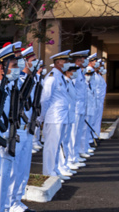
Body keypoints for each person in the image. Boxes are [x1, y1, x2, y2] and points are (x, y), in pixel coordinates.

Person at [8, 46, 38, 212]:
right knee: (13, 169)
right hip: (17, 129)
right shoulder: (15, 80)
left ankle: (17, 199)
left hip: (27, 129)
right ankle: (9, 202)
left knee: (23, 168)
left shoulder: (28, 79)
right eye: (17, 58)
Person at [0, 44, 18, 212]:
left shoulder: (6, 86)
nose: (16, 70)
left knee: (5, 181)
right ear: (2, 67)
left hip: (5, 140)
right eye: (13, 66)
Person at [41, 50, 73, 180]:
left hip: (61, 116)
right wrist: (42, 117)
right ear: (58, 63)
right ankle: (49, 171)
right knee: (51, 146)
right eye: (65, 61)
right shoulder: (52, 77)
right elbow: (44, 99)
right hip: (53, 117)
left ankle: (54, 169)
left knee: (57, 145)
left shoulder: (60, 76)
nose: (67, 63)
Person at [70, 50, 90, 163]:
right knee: (73, 134)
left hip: (81, 107)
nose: (86, 61)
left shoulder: (80, 72)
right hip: (76, 108)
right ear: (78, 60)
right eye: (84, 59)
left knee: (78, 133)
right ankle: (71, 157)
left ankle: (76, 154)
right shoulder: (74, 73)